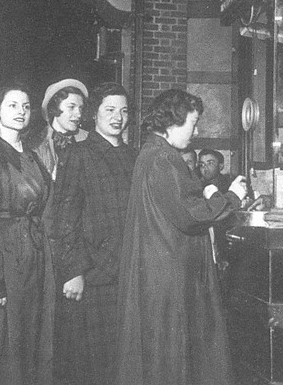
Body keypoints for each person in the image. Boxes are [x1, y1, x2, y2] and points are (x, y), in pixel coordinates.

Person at [116, 89, 247, 385]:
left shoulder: (151, 155)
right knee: (173, 358)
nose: (196, 131)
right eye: (193, 122)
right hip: (169, 276)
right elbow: (192, 215)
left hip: (158, 271)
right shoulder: (164, 159)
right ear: (172, 122)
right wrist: (232, 197)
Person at [52, 82, 137, 385]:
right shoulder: (79, 154)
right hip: (94, 275)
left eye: (124, 111)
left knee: (122, 362)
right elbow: (64, 216)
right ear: (94, 115)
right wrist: (73, 271)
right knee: (94, 365)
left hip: (127, 273)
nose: (118, 117)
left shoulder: (133, 156)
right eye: (110, 110)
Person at [0, 85, 54, 385]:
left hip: (35, 258)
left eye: (26, 106)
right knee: (4, 346)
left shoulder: (34, 158)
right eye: (12, 105)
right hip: (6, 261)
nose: (21, 111)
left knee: (33, 342)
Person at [28, 78, 88, 180]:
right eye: (71, 107)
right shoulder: (36, 144)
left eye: (80, 108)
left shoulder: (88, 138)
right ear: (54, 107)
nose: (78, 114)